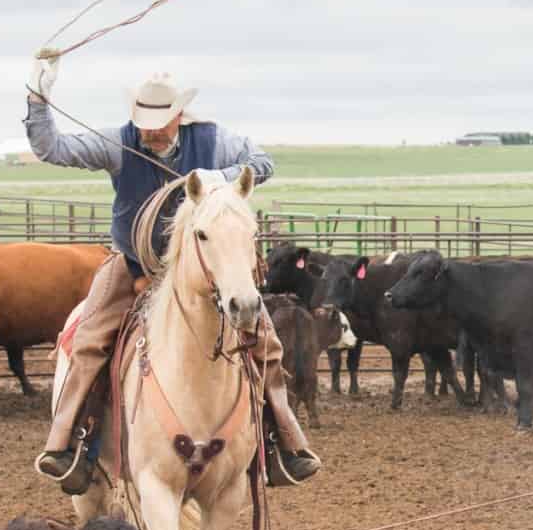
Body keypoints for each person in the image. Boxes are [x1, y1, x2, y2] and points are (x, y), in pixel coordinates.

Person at [24, 49, 320, 493]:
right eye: (144, 120)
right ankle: (71, 443)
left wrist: (219, 175)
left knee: (264, 341)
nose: (152, 130)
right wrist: (38, 102)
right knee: (88, 340)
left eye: (161, 120)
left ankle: (280, 443)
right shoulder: (118, 143)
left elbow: (264, 163)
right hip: (133, 264)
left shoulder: (213, 140)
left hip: (207, 270)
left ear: (179, 114)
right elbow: (53, 148)